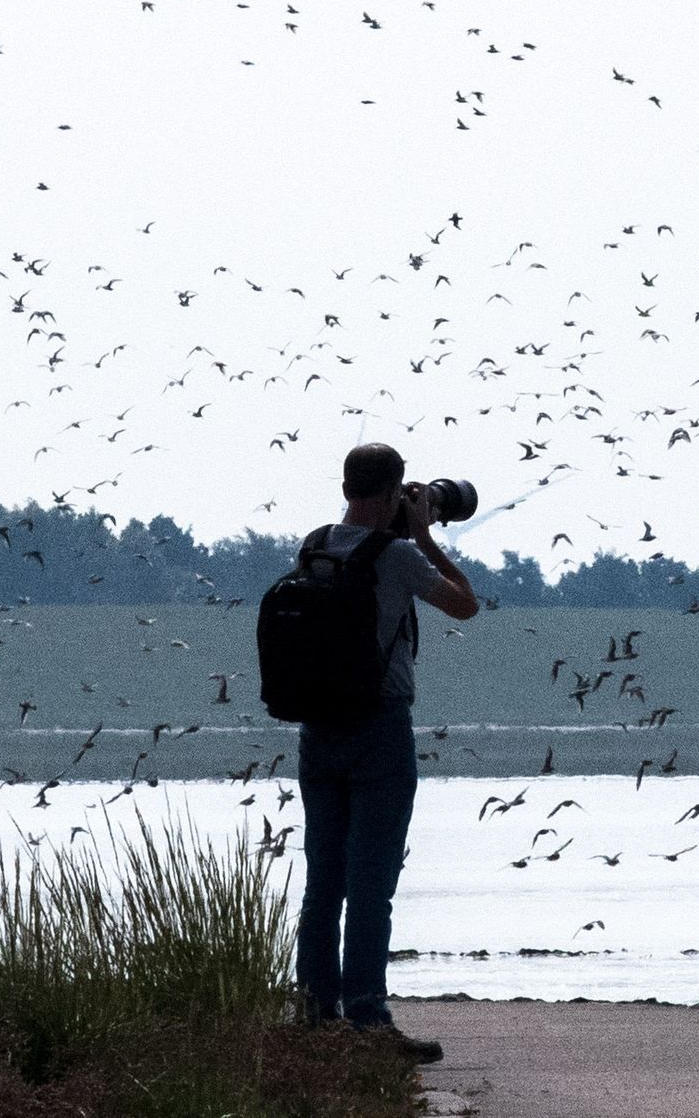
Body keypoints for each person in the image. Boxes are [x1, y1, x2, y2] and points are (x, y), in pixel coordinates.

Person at [294, 442, 478, 1060]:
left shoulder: (314, 545)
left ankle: (316, 1017)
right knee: (372, 883)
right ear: (394, 492)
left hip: (317, 730)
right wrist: (424, 534)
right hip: (378, 730)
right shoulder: (397, 554)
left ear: (347, 486)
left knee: (324, 881)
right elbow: (465, 603)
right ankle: (369, 1021)